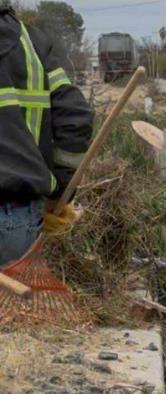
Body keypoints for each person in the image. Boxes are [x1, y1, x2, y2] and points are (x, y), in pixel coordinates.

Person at [0, 6, 92, 266]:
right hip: (17, 218)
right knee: (14, 307)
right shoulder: (32, 44)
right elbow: (75, 116)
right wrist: (60, 190)